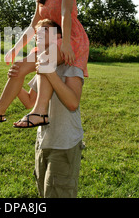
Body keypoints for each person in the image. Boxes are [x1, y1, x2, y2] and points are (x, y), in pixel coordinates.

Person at [9, 61, 85, 198]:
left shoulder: (72, 67)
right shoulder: (43, 65)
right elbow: (29, 101)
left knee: (58, 192)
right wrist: (15, 79)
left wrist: (50, 73)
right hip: (43, 142)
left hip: (64, 143)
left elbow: (73, 103)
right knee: (44, 191)